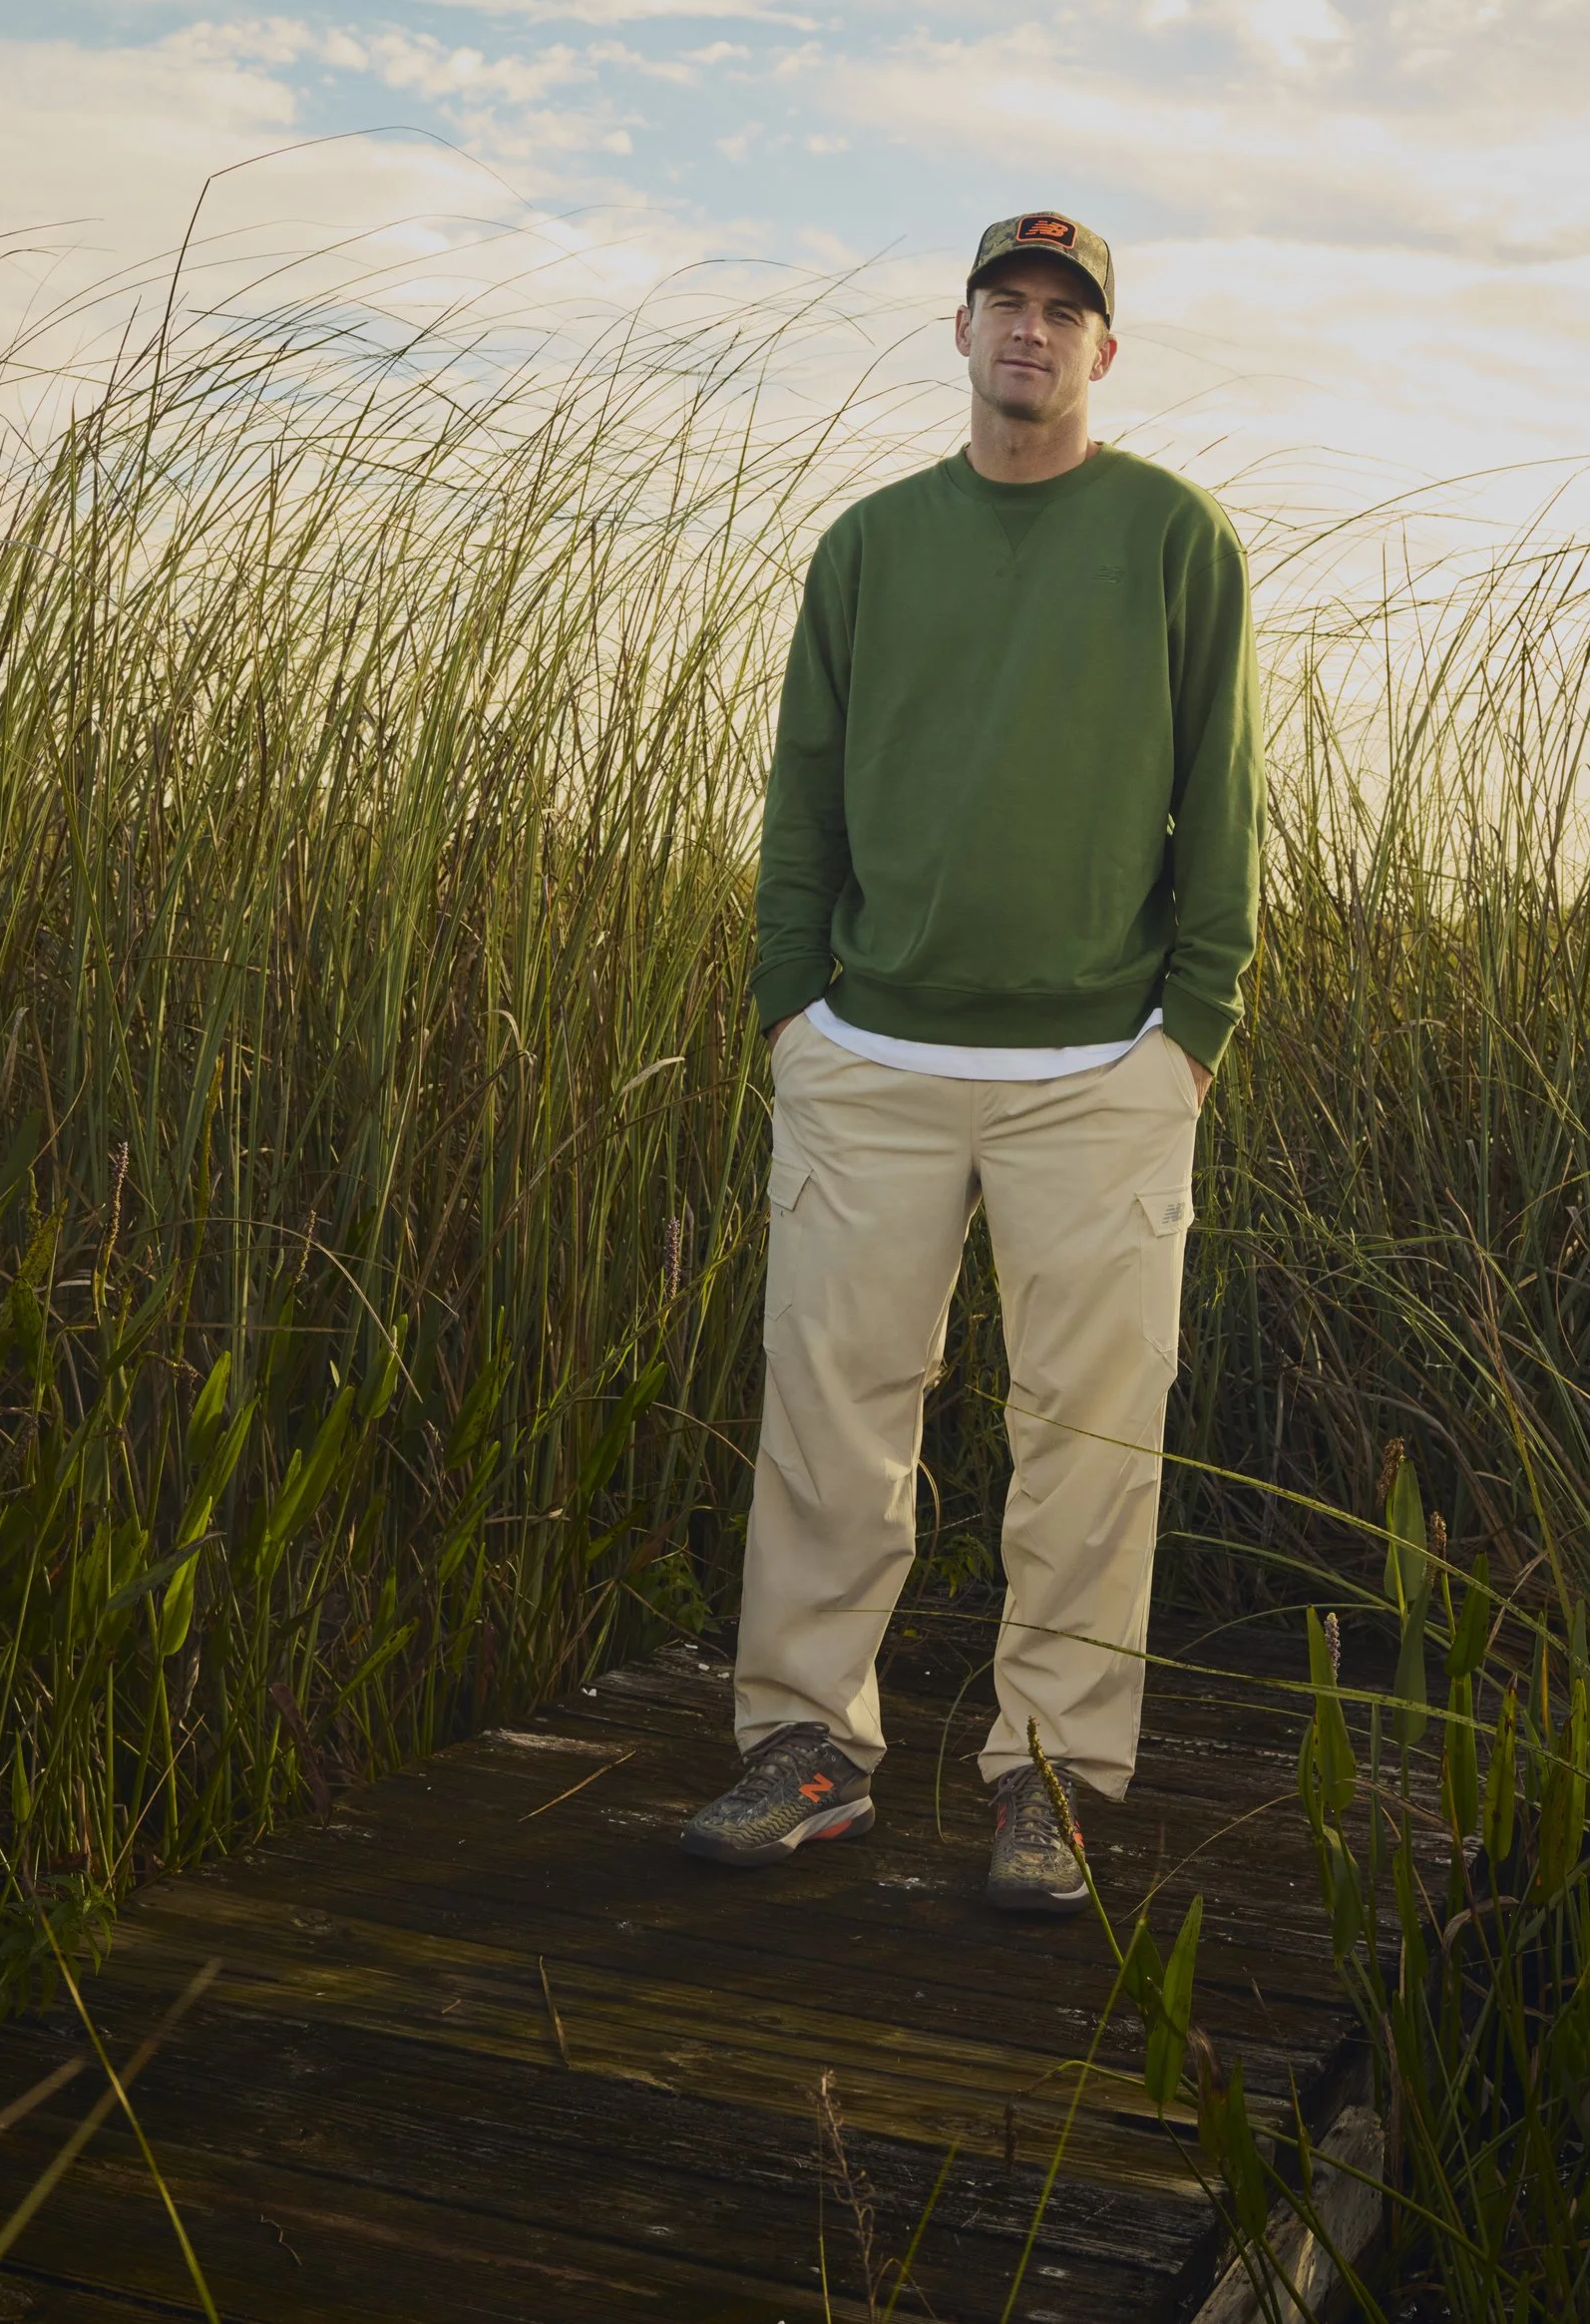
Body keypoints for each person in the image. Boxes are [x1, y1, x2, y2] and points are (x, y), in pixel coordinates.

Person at [679, 207, 1262, 1910]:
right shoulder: (868, 546)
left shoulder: (1173, 536)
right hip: (870, 1049)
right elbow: (802, 792)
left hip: (1104, 1068)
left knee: (1092, 1435)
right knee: (830, 1413)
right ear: (959, 333)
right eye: (1003, 303)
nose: (1029, 330)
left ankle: (1053, 1779)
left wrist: (1194, 1030)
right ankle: (808, 1746)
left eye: (1060, 311)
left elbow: (1221, 795)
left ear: (1102, 350)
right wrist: (793, 1002)